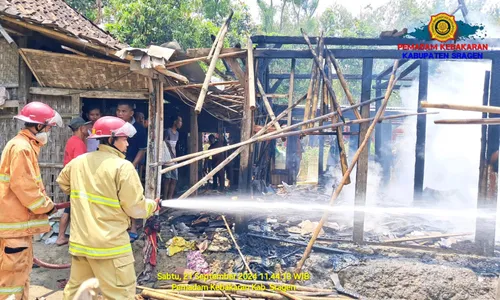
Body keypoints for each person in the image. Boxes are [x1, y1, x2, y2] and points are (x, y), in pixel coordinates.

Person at [56, 116, 159, 300]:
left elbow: (63, 182)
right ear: (111, 139)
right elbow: (136, 209)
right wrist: (152, 206)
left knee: (79, 295)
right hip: (111, 249)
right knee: (120, 294)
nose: (127, 144)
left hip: (81, 246)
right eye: (124, 139)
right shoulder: (123, 167)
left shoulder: (79, 162)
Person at [0, 101, 63, 299]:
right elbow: (25, 186)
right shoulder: (22, 148)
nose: (49, 131)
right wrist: (46, 207)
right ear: (38, 126)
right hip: (15, 226)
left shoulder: (23, 145)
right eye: (49, 127)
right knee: (12, 279)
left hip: (16, 225)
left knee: (20, 274)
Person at [56, 117, 91, 246]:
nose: (88, 130)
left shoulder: (73, 141)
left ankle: (61, 236)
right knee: (70, 208)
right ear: (81, 128)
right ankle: (62, 236)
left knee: (69, 208)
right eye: (86, 127)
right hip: (76, 180)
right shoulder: (78, 144)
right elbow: (79, 165)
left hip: (71, 179)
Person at [116, 102, 147, 242]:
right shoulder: (114, 126)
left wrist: (133, 165)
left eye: (123, 111)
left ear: (131, 113)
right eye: (118, 111)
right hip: (115, 166)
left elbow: (142, 149)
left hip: (130, 165)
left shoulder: (139, 129)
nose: (120, 114)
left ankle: (133, 226)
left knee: (131, 197)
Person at [163, 116, 182, 199]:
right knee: (167, 179)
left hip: (174, 158)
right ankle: (165, 198)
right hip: (167, 158)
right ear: (175, 122)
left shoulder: (177, 133)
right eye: (180, 121)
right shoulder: (168, 131)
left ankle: (170, 198)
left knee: (174, 179)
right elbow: (164, 143)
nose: (181, 123)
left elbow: (175, 147)